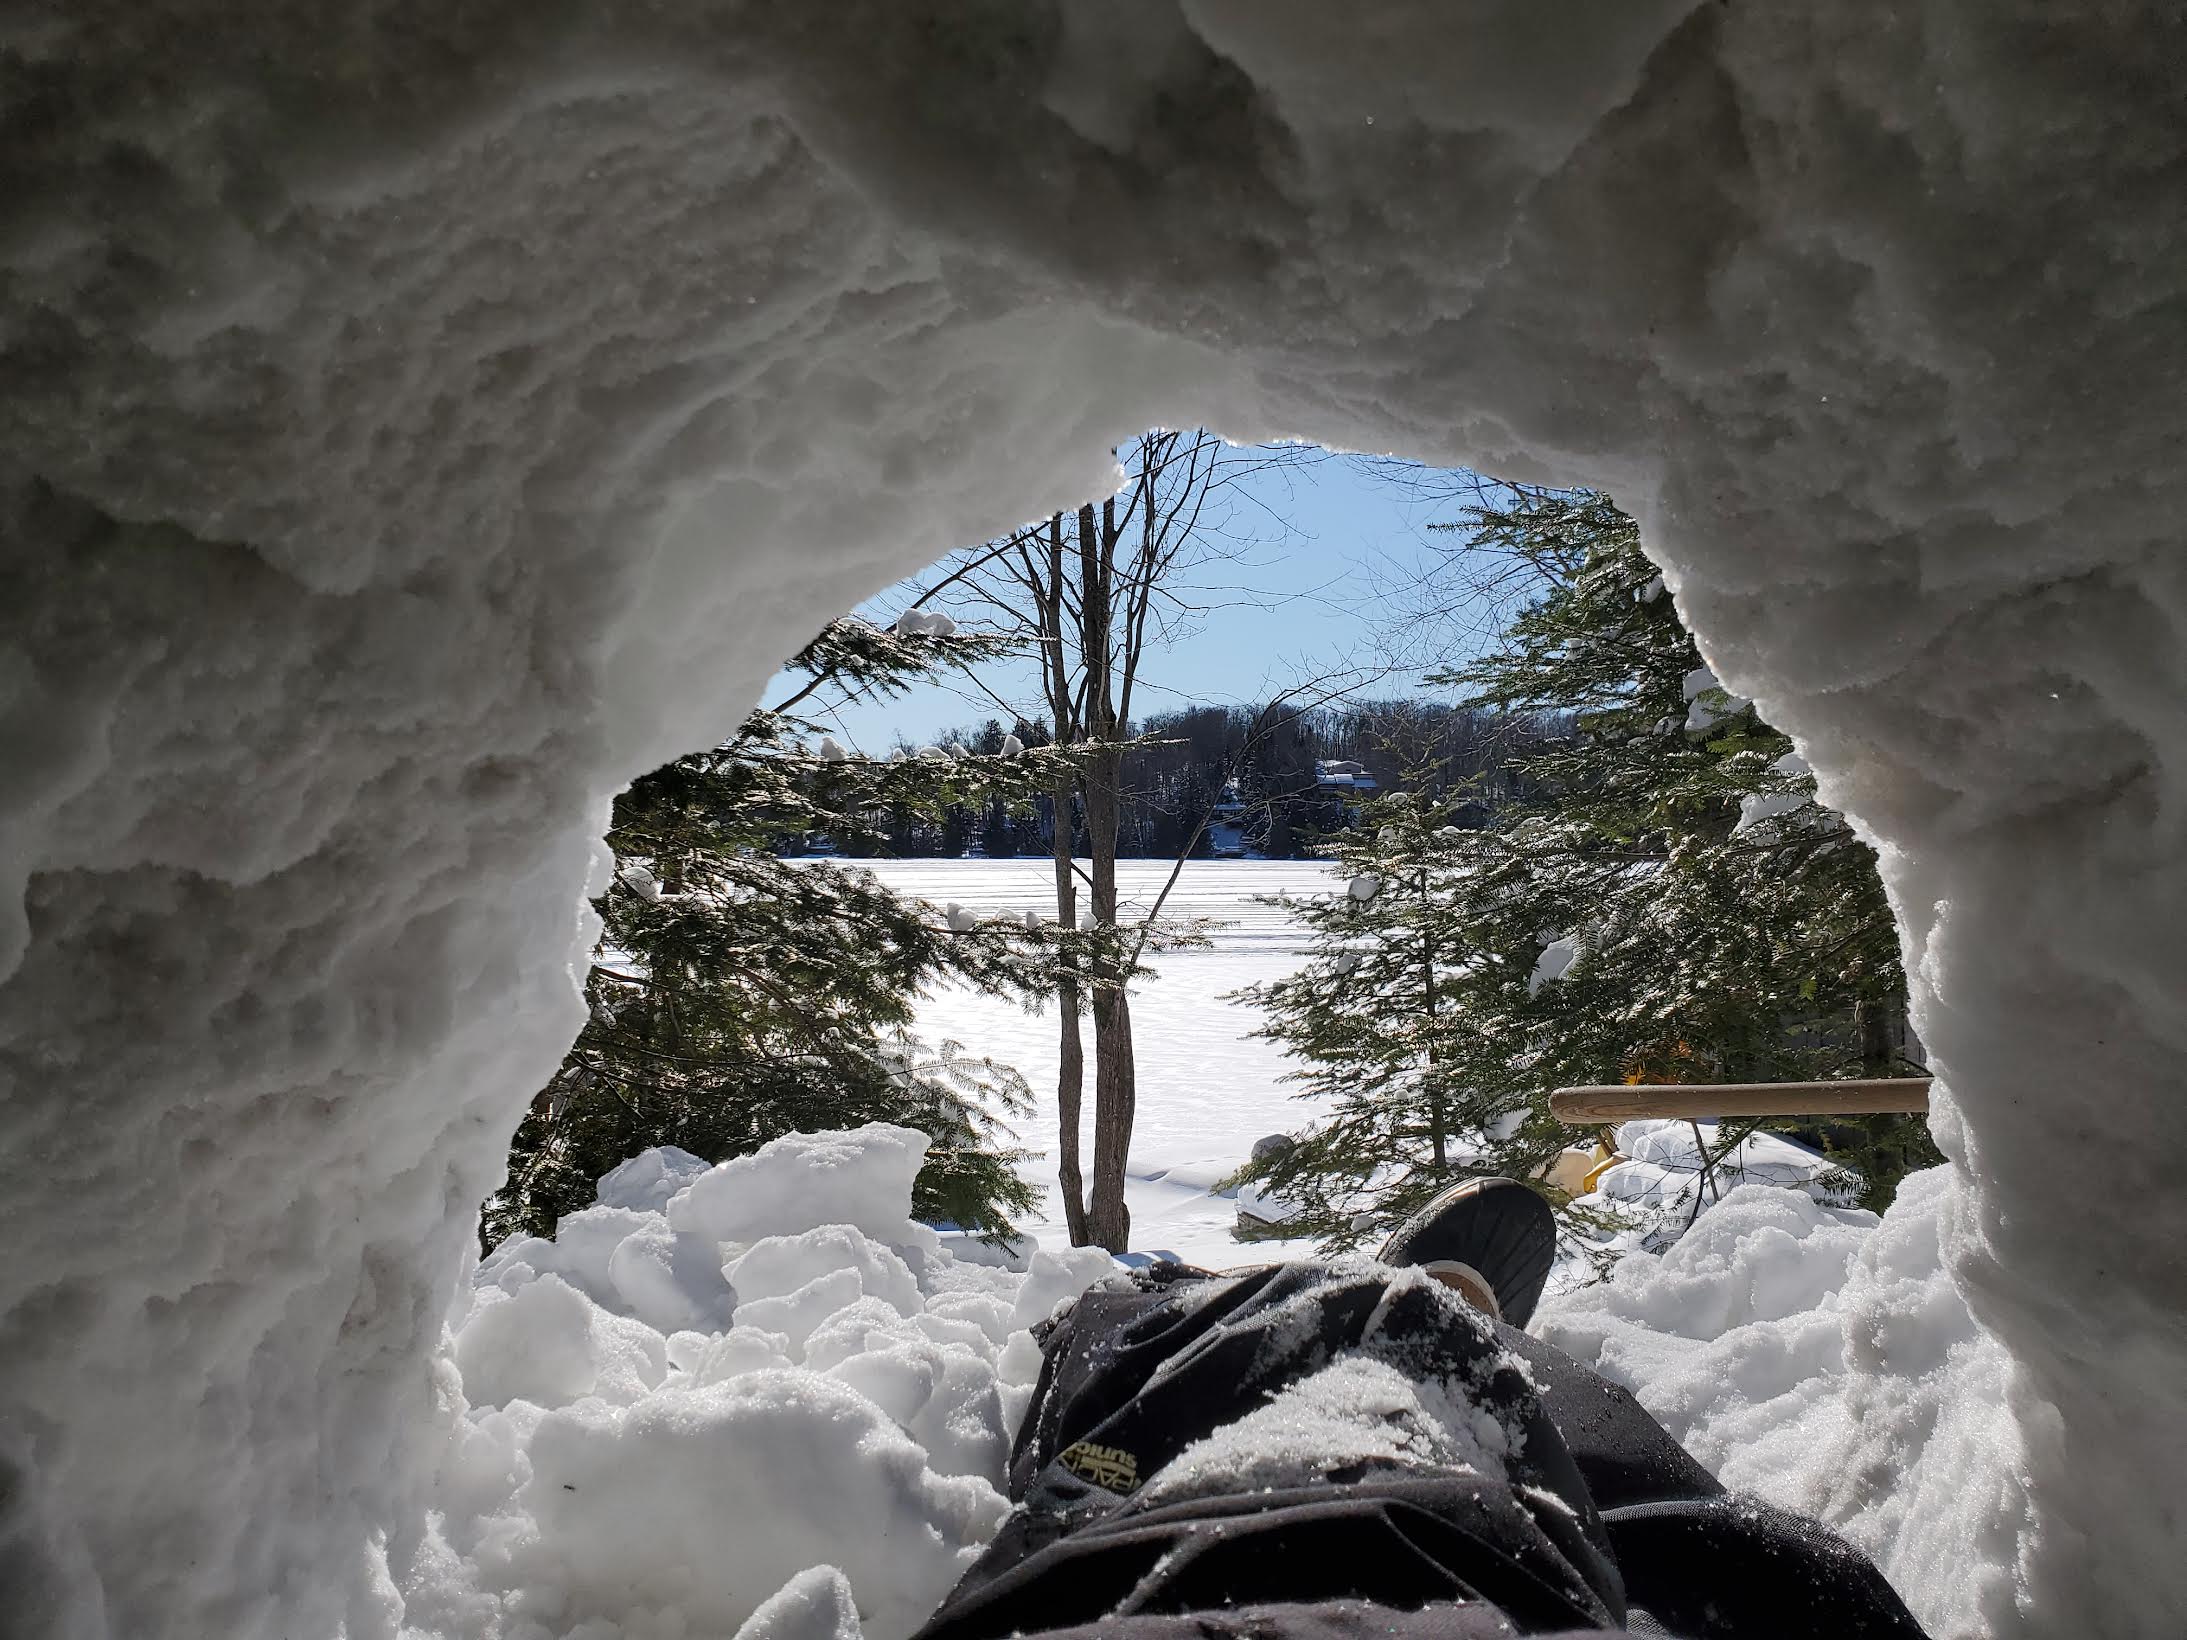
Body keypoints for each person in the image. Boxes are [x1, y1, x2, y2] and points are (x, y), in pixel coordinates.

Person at [914, 1179, 1930, 1640]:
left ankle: (1180, 1315)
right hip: (1487, 1561)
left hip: (1123, 1568)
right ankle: (1440, 1319)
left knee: (1161, 1392)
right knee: (1493, 1398)